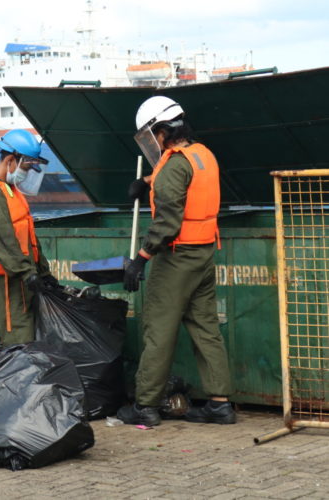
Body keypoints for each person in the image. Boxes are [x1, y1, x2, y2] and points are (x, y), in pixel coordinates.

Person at [117, 96, 236, 427]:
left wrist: (141, 259)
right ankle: (219, 403)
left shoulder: (173, 164)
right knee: (206, 327)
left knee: (159, 330)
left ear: (161, 131)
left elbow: (168, 222)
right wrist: (147, 183)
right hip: (204, 254)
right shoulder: (203, 156)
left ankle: (146, 406)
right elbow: (184, 181)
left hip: (176, 258)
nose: (151, 142)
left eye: (151, 135)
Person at [0, 129, 58, 346]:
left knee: (26, 334)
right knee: (17, 338)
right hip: (7, 281)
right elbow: (2, 240)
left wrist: (43, 272)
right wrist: (27, 273)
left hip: (21, 278)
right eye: (26, 167)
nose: (26, 173)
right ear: (11, 160)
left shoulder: (10, 190)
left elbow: (28, 239)